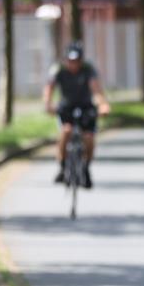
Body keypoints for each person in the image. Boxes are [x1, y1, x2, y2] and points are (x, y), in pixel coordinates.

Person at [43, 41, 111, 189]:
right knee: (66, 131)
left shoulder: (88, 70)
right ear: (66, 59)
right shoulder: (58, 69)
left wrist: (103, 105)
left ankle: (85, 168)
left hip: (86, 107)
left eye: (77, 61)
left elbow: (96, 90)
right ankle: (62, 166)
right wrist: (48, 104)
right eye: (71, 60)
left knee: (89, 137)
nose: (74, 64)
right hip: (66, 107)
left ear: (81, 60)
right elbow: (49, 87)